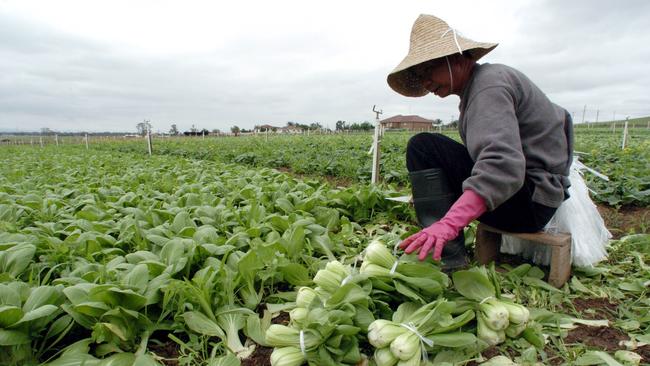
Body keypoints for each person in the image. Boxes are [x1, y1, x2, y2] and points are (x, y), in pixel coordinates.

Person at [388, 14, 573, 269]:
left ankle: (448, 258)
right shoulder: (485, 84)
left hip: (528, 205)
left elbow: (503, 166)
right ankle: (445, 247)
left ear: (456, 58)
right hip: (532, 198)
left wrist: (449, 223)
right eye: (420, 75)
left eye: (428, 70)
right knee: (431, 150)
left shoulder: (488, 86)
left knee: (423, 147)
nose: (426, 81)